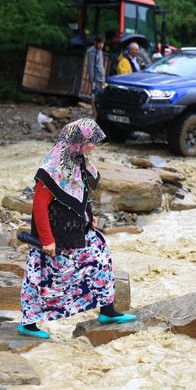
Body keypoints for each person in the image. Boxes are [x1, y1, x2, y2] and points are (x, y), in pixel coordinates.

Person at [18, 118, 137, 339]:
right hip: (55, 235)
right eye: (90, 142)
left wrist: (89, 216)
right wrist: (46, 240)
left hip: (76, 229)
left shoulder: (76, 161)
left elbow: (79, 194)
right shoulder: (51, 168)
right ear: (77, 142)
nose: (93, 146)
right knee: (42, 277)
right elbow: (39, 206)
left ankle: (107, 311)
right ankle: (29, 324)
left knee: (100, 256)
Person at [86, 34, 106, 118]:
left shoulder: (100, 51)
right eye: (99, 43)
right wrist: (92, 81)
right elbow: (90, 67)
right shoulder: (91, 52)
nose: (101, 45)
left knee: (100, 97)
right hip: (96, 79)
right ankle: (95, 115)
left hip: (101, 78)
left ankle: (99, 115)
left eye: (102, 43)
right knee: (94, 97)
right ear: (95, 42)